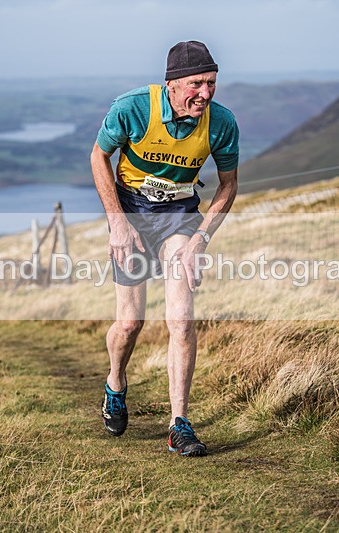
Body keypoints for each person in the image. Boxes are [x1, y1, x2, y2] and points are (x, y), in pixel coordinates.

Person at [90, 40, 239, 457]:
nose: (205, 94)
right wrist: (117, 223)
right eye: (196, 84)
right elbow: (99, 157)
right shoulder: (133, 108)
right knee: (130, 324)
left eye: (211, 83)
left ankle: (179, 425)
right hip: (132, 213)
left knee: (182, 320)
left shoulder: (221, 123)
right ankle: (116, 382)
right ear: (171, 84)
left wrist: (200, 240)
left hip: (180, 215)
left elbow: (228, 185)